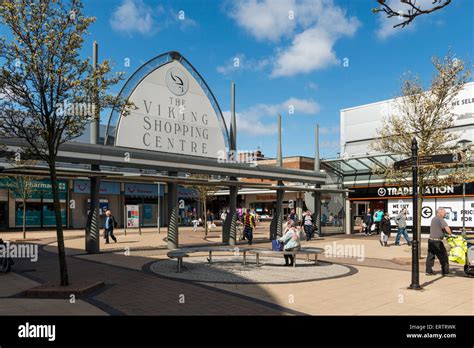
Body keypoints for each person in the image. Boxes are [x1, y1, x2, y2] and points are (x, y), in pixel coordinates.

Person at [426, 208, 454, 276]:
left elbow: (439, 229)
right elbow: (447, 228)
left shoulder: (434, 218)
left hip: (431, 240)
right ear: (440, 212)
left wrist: (443, 233)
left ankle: (428, 271)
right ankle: (445, 272)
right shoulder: (440, 218)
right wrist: (451, 234)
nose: (445, 214)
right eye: (444, 212)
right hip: (437, 242)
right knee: (444, 256)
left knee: (430, 256)